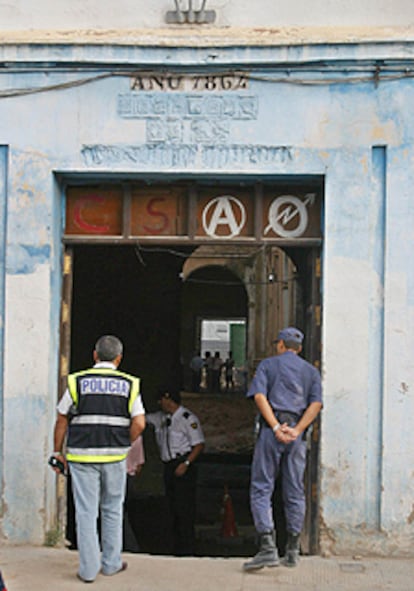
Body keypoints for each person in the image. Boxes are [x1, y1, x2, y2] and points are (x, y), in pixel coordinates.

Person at [51, 335, 146, 583]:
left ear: (95, 355)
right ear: (118, 358)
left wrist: (56, 452)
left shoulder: (77, 381)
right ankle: (112, 563)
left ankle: (88, 570)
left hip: (82, 456)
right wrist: (125, 441)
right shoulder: (129, 383)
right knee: (113, 508)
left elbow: (62, 418)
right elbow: (140, 422)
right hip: (114, 456)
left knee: (86, 512)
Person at [243, 327, 322, 572]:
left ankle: (267, 547)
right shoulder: (311, 372)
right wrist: (297, 430)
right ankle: (292, 549)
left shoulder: (268, 366)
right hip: (296, 437)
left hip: (272, 432)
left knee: (261, 487)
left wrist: (276, 426)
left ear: (280, 345)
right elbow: (316, 404)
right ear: (298, 348)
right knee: (295, 490)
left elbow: (259, 397)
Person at [146, 387, 205, 556]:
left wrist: (186, 463)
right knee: (171, 507)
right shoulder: (161, 418)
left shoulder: (187, 418)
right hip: (169, 466)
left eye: (161, 400)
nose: (159, 403)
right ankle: (175, 546)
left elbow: (199, 444)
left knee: (184, 508)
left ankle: (187, 547)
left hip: (183, 465)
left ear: (168, 399)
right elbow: (142, 419)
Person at [124, 435, 145, 553]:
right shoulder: (138, 437)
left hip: (117, 475)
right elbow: (139, 465)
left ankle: (129, 545)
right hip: (129, 476)